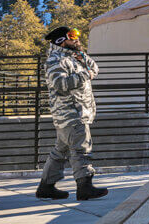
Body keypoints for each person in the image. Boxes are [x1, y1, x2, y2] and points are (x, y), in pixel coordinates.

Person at [36, 26, 108, 201]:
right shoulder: (55, 60)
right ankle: (85, 187)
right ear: (61, 40)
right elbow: (60, 83)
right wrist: (85, 75)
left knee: (60, 151)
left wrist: (82, 57)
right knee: (81, 149)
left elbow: (94, 68)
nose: (77, 39)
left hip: (75, 112)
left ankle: (46, 187)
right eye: (72, 36)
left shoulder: (73, 58)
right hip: (70, 112)